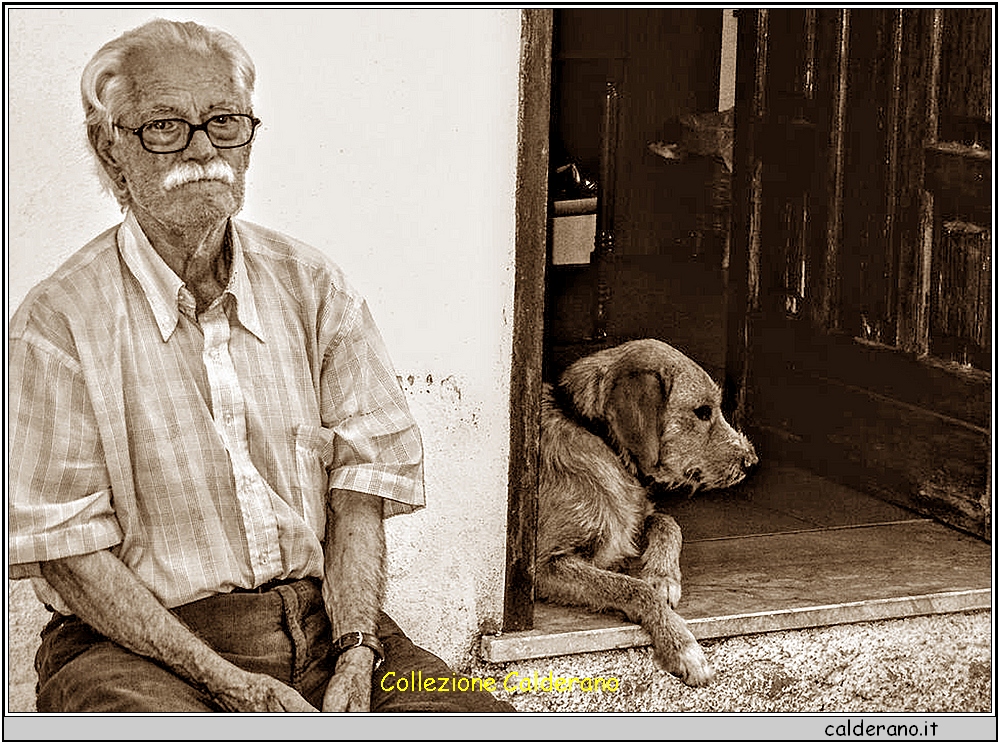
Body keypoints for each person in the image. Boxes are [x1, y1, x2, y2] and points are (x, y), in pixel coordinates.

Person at [9, 18, 513, 714]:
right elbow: (66, 549)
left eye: (224, 122)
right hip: (136, 648)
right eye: (164, 125)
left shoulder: (312, 285)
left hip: (326, 627)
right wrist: (234, 687)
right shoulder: (59, 321)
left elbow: (358, 487)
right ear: (109, 146)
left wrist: (358, 653)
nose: (203, 149)